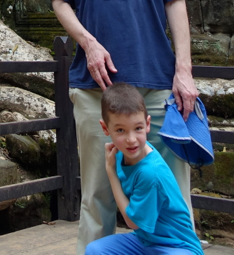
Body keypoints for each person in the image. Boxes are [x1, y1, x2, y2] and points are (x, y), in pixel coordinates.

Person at [49, 0, 198, 255]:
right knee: (96, 195)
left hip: (154, 80)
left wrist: (183, 72)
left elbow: (176, 2)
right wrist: (88, 43)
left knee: (172, 191)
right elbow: (60, 1)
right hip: (95, 87)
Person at [85, 83, 203, 255]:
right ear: (105, 128)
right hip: (144, 241)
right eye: (120, 130)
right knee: (95, 250)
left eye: (138, 128)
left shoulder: (150, 172)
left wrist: (111, 173)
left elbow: (133, 222)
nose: (131, 139)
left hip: (176, 247)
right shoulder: (121, 153)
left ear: (147, 124)